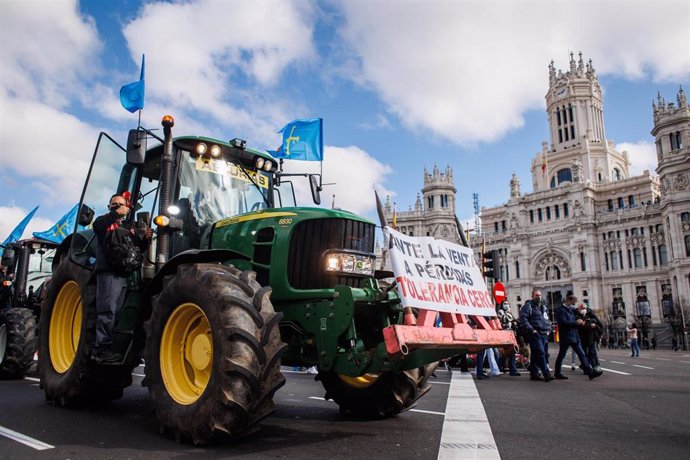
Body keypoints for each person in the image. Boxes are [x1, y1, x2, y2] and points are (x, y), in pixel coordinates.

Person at [92, 193, 152, 364]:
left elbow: (135, 248)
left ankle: (110, 348)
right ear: (110, 206)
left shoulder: (127, 227)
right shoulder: (104, 221)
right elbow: (97, 227)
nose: (116, 206)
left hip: (123, 275)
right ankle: (100, 350)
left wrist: (145, 239)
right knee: (107, 311)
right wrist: (117, 213)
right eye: (114, 204)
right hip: (108, 273)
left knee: (116, 312)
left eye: (120, 204)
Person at [553, 295, 602, 380]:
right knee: (562, 355)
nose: (574, 304)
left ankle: (590, 373)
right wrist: (576, 323)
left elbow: (582, 312)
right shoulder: (561, 310)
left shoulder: (571, 310)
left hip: (574, 336)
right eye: (573, 302)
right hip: (566, 337)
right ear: (568, 300)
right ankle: (557, 373)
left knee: (582, 354)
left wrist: (588, 311)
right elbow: (563, 323)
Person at [519, 289, 554, 382]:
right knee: (541, 353)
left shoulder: (543, 307)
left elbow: (547, 319)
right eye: (536, 295)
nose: (539, 297)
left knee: (536, 354)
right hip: (535, 333)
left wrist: (549, 329)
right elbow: (523, 319)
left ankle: (534, 374)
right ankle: (546, 374)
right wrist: (531, 329)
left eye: (540, 295)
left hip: (544, 333)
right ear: (532, 296)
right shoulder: (528, 306)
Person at [576, 304, 603, 371]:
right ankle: (588, 366)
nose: (583, 310)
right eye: (582, 308)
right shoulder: (577, 316)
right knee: (585, 353)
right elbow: (581, 327)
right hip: (582, 338)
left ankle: (593, 365)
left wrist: (594, 326)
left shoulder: (591, 316)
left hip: (591, 337)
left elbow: (598, 325)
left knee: (592, 352)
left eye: (584, 308)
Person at [497, 301, 520, 376]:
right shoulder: (500, 312)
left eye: (507, 304)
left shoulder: (509, 312)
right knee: (504, 352)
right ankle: (500, 367)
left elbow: (513, 322)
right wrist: (507, 314)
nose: (506, 305)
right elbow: (503, 320)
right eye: (505, 304)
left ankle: (513, 370)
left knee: (512, 351)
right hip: (504, 333)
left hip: (510, 333)